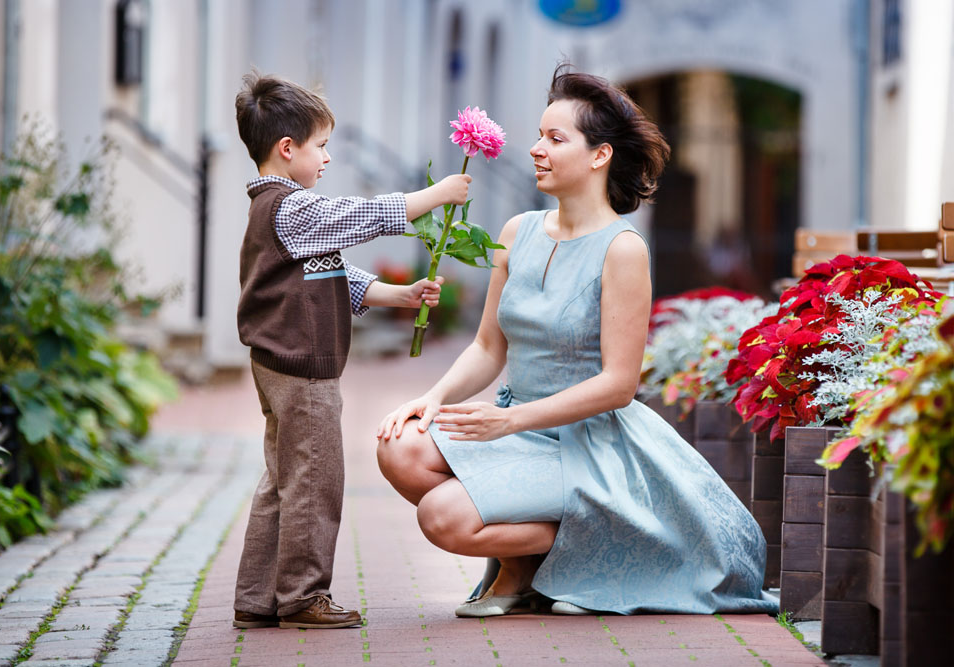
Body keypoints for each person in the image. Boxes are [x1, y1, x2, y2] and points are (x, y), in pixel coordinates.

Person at [376, 65, 778, 617]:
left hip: (590, 445)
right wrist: (435, 398)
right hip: (516, 427)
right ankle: (525, 572)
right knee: (398, 449)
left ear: (599, 155)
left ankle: (596, 542)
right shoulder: (517, 231)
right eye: (540, 135)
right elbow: (488, 348)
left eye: (555, 138)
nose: (537, 149)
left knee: (441, 518)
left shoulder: (623, 249)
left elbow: (619, 385)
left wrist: (511, 421)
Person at [232, 71, 471, 629]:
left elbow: (334, 273)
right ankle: (303, 596)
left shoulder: (282, 214)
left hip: (279, 365)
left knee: (283, 478)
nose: (328, 158)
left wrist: (400, 296)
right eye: (321, 146)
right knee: (316, 480)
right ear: (287, 150)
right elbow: (358, 219)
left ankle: (258, 595)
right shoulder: (290, 209)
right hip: (303, 370)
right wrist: (433, 197)